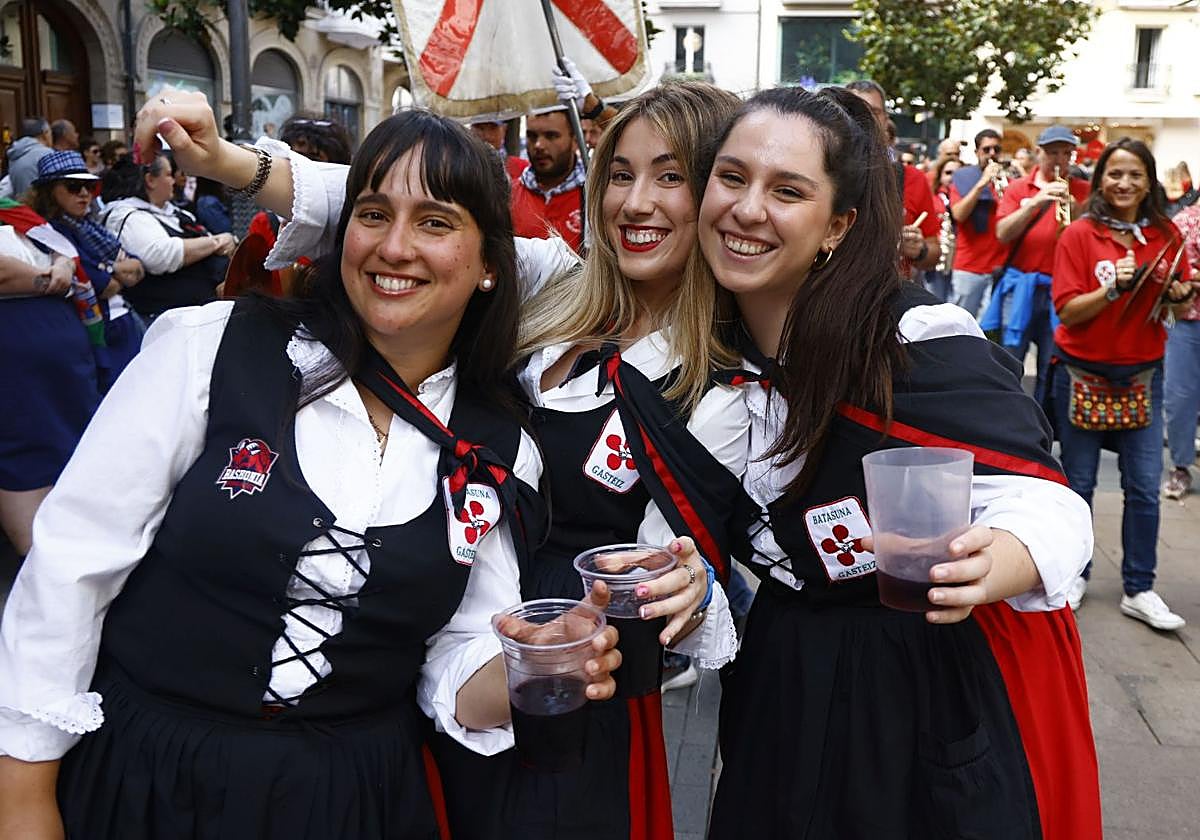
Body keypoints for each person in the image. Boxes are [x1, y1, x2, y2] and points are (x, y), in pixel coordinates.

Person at [140, 81, 748, 840]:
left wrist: (689, 593)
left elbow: (681, 571)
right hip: (417, 625)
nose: (635, 202)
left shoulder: (724, 385)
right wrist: (227, 159)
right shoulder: (556, 284)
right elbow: (406, 208)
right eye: (620, 173)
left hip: (554, 680)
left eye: (671, 176)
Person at [0, 106, 623, 840]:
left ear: (491, 262)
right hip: (150, 777)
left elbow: (455, 654)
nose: (395, 248)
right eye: (372, 213)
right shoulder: (209, 349)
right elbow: (71, 568)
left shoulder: (494, 449)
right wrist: (23, 794)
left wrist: (535, 667)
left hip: (351, 799)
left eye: (435, 222)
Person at [696, 85, 1100, 839]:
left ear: (837, 225)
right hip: (780, 671)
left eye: (787, 190)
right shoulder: (692, 357)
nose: (747, 210)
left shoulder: (915, 335)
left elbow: (1046, 501)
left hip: (917, 684)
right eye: (731, 177)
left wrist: (993, 560)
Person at [1050, 138, 1192, 629]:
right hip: (1082, 374)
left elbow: (1172, 312)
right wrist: (1113, 287)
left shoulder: (1167, 235)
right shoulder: (1080, 235)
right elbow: (1068, 310)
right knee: (1079, 485)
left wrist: (1177, 294)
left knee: (1145, 489)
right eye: (1115, 173)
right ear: (1099, 180)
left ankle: (1139, 587)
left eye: (1135, 175)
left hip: (1143, 377)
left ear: (1149, 181)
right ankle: (1074, 574)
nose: (1124, 184)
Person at [0, 204, 100, 557]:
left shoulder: (21, 215)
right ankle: (40, 570)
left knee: (72, 457)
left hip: (67, 374)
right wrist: (50, 280)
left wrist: (58, 268)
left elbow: (65, 258)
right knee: (24, 456)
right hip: (17, 377)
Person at [26, 151, 146, 390]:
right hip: (102, 334)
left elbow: (139, 267)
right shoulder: (51, 232)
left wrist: (109, 270)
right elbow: (102, 285)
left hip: (125, 320)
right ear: (49, 192)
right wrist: (115, 271)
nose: (84, 194)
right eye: (73, 186)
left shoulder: (90, 226)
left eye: (89, 187)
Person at [988, 125, 1090, 404]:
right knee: (1010, 362)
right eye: (1052, 152)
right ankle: (1006, 422)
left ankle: (1043, 427)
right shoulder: (1018, 188)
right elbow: (1002, 234)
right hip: (1021, 286)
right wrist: (1034, 203)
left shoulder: (1084, 190)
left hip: (1062, 291)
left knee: (1052, 365)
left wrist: (1078, 211)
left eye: (1066, 153)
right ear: (1039, 153)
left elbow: (1091, 241)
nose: (1059, 159)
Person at [99, 155, 235, 321]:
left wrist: (223, 241)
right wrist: (215, 242)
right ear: (150, 180)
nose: (174, 181)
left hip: (200, 313)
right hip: (163, 319)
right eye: (169, 175)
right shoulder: (127, 215)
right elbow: (160, 256)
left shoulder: (177, 212)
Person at [846, 80, 940, 278]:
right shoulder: (818, 172)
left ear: (885, 120)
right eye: (853, 110)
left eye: (873, 112)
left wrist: (919, 249)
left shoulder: (912, 178)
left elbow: (933, 253)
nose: (863, 119)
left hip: (884, 299)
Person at [1162, 198, 1200, 500]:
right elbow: (1177, 277)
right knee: (1180, 397)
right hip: (1188, 321)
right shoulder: (1185, 223)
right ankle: (1181, 465)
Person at [949, 129, 1008, 317]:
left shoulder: (1008, 180)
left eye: (996, 149)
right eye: (986, 149)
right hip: (969, 268)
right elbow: (958, 214)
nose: (992, 154)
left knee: (990, 334)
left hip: (999, 267)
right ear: (977, 153)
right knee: (961, 328)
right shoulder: (963, 177)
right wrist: (982, 183)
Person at [925, 155, 959, 301]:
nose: (952, 178)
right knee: (935, 302)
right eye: (948, 173)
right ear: (940, 176)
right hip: (938, 260)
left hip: (960, 262)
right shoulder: (931, 198)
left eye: (957, 173)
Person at [6, 118, 53, 197]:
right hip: (42, 206)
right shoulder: (47, 154)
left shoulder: (15, 154)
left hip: (21, 206)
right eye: (51, 134)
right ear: (45, 134)